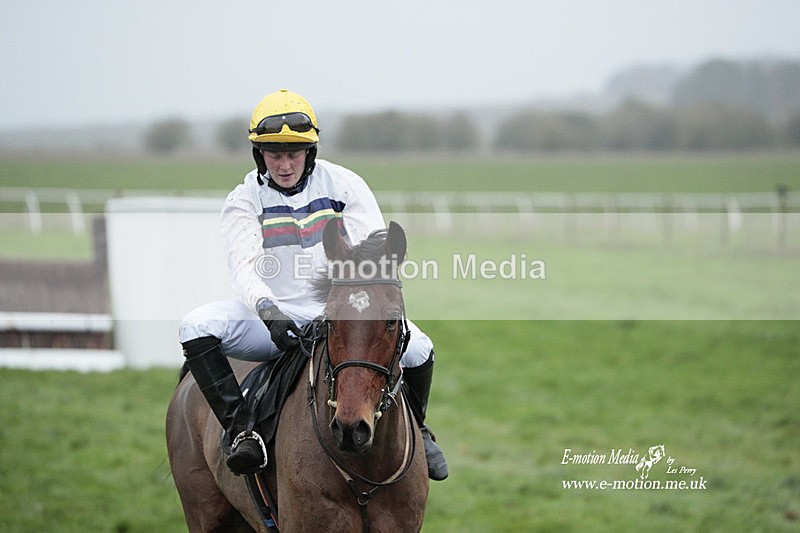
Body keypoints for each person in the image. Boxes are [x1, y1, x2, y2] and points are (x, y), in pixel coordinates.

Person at [178, 89, 448, 480]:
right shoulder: (244, 200)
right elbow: (245, 269)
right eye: (274, 155)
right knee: (195, 326)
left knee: (420, 348)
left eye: (294, 154)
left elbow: (370, 258)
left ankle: (419, 429)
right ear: (259, 154)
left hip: (336, 312)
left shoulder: (345, 185)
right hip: (274, 318)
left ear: (310, 152)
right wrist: (269, 312)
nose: (284, 165)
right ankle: (241, 432)